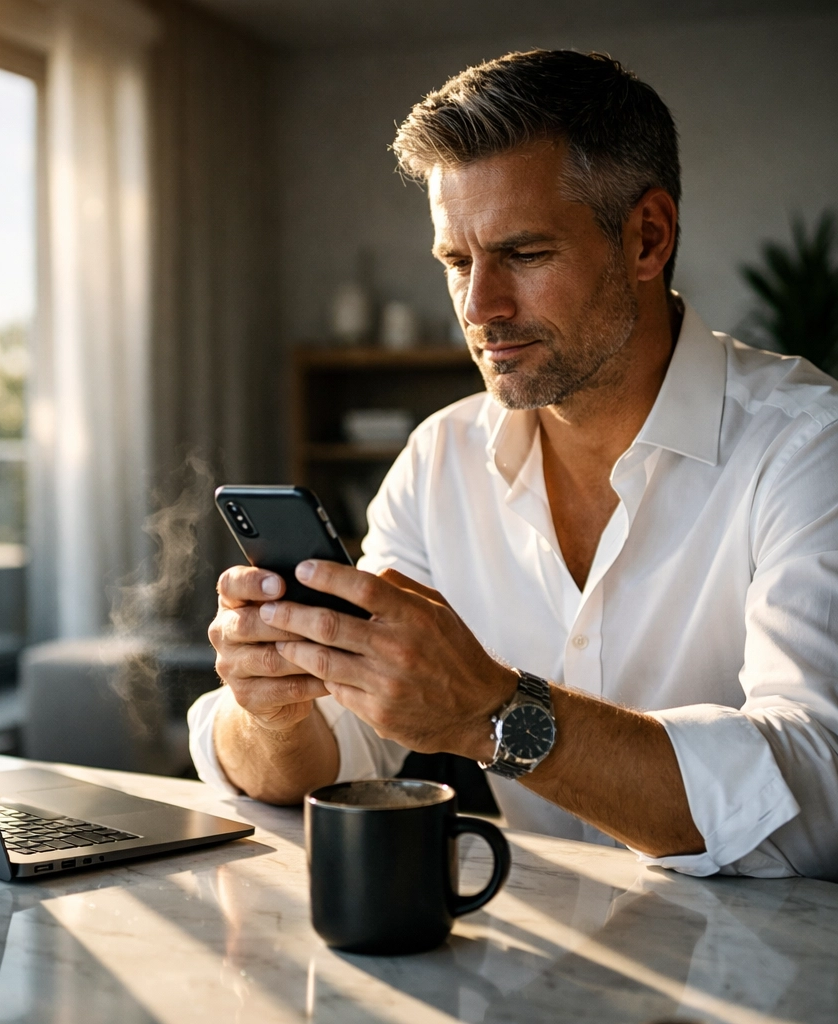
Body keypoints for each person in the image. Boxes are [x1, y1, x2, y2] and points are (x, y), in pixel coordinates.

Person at [189, 50, 838, 881]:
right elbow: (341, 756)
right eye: (457, 262)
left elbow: (818, 799)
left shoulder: (808, 448)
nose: (478, 309)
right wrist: (274, 710)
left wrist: (492, 712)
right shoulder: (440, 459)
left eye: (523, 255)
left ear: (648, 236)